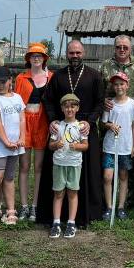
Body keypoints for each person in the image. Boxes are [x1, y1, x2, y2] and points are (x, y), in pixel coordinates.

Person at [37, 40, 104, 226]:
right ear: (67, 54)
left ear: (83, 53)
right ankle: (57, 216)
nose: (75, 56)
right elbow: (48, 100)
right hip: (61, 127)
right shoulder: (58, 76)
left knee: (87, 172)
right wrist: (53, 120)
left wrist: (90, 121)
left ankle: (84, 214)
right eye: (72, 53)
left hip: (85, 127)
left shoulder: (94, 75)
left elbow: (100, 102)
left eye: (78, 52)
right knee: (58, 173)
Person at [0, 66, 26, 231]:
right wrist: (6, 141)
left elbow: (22, 119)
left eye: (3, 82)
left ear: (10, 81)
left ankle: (10, 210)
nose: (0, 85)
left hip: (14, 145)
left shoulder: (17, 98)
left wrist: (22, 137)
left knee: (9, 177)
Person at [14, 42, 54, 222]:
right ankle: (23, 205)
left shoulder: (51, 77)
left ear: (44, 59)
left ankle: (35, 206)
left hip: (42, 123)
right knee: (24, 166)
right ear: (28, 58)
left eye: (39, 56)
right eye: (33, 55)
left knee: (38, 167)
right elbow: (16, 104)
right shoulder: (21, 78)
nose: (36, 58)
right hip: (24, 122)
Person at [49, 93, 90, 239]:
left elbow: (85, 146)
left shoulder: (81, 126)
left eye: (73, 106)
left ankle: (71, 223)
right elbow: (50, 145)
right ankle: (56, 223)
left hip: (74, 164)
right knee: (58, 193)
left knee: (72, 193)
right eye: (66, 107)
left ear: (77, 108)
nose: (69, 109)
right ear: (62, 108)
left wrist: (77, 146)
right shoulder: (57, 126)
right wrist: (56, 144)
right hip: (59, 163)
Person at [101, 71, 134, 221]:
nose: (119, 87)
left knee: (123, 176)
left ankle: (121, 207)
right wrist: (110, 125)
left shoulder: (133, 104)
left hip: (125, 146)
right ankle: (109, 207)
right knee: (107, 177)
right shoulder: (109, 104)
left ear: (127, 85)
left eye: (122, 84)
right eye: (116, 84)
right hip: (110, 146)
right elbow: (104, 123)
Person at [99, 35, 134, 105]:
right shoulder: (105, 65)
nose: (122, 50)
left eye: (125, 47)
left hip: (132, 109)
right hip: (111, 108)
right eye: (118, 47)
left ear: (131, 49)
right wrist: (102, 100)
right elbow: (96, 88)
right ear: (114, 48)